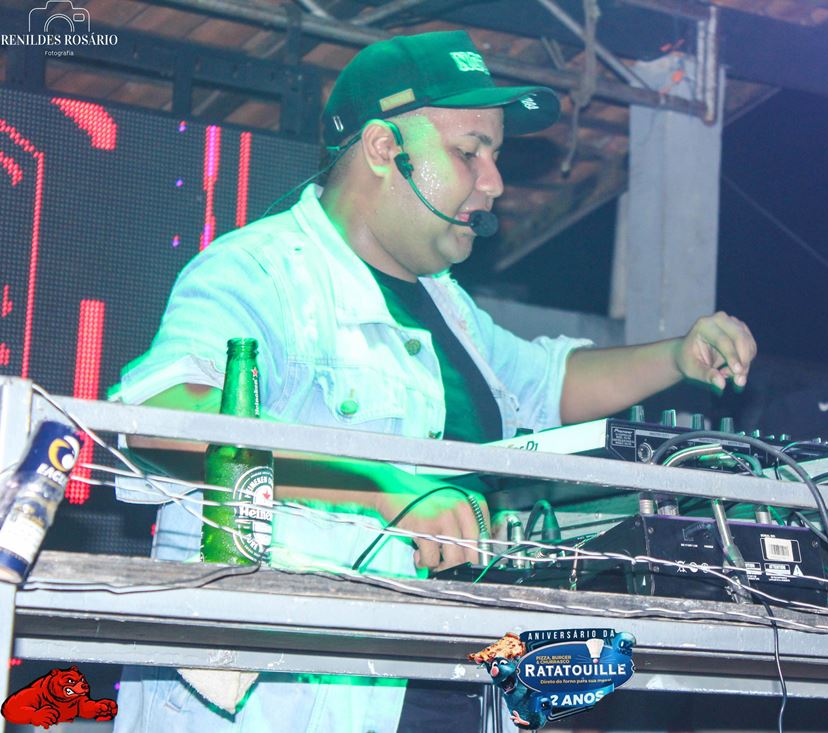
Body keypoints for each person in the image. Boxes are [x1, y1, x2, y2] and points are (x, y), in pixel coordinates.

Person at [109, 30, 756, 733]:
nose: (494, 182)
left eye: (495, 156)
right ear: (383, 149)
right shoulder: (263, 271)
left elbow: (549, 385)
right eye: (470, 152)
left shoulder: (448, 304)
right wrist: (384, 487)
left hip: (455, 694)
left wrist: (677, 358)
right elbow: (160, 423)